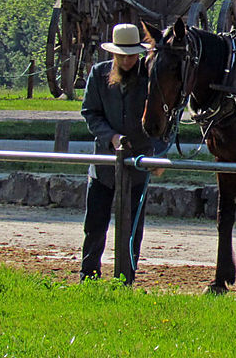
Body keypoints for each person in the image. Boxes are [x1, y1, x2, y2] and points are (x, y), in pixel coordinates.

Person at [79, 23, 165, 281]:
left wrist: (157, 154)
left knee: (132, 227)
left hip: (138, 166)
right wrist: (112, 137)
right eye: (122, 55)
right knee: (95, 225)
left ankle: (126, 277)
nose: (127, 61)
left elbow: (165, 121)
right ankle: (88, 275)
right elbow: (90, 114)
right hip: (103, 165)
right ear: (113, 54)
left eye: (132, 55)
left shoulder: (152, 78)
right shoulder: (98, 74)